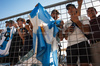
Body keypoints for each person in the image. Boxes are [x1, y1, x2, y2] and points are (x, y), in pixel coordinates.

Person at [64, 0, 91, 66]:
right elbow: (65, 38)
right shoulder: (66, 23)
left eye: (72, 8)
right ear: (68, 12)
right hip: (70, 45)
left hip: (83, 42)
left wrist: (77, 22)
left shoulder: (83, 17)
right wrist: (67, 31)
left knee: (85, 64)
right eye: (68, 9)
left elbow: (87, 30)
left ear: (76, 9)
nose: (70, 10)